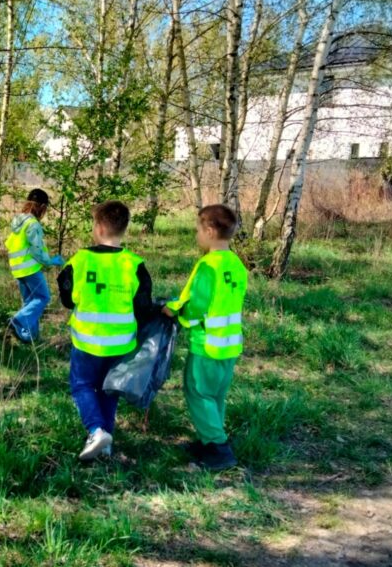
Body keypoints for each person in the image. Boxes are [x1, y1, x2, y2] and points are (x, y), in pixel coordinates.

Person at [57, 201, 162, 461]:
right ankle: (106, 444)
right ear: (124, 228)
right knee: (108, 389)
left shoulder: (80, 261)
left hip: (87, 343)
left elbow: (67, 299)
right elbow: (143, 307)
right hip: (121, 344)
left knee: (82, 386)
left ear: (99, 227)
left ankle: (96, 430)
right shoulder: (134, 264)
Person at [163, 204, 248, 471]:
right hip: (230, 343)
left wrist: (176, 313)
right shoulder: (236, 263)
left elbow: (197, 305)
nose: (197, 235)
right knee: (216, 395)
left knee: (198, 392)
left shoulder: (207, 265)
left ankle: (218, 448)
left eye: (198, 230)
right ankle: (208, 439)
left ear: (210, 231)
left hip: (207, 344)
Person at [6, 188, 63, 343]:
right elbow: (36, 249)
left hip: (17, 269)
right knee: (43, 297)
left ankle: (30, 337)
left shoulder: (18, 222)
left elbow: (11, 244)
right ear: (42, 207)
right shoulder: (32, 224)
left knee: (29, 302)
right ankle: (18, 321)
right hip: (30, 269)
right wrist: (50, 261)